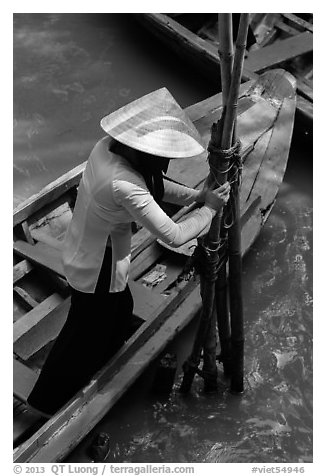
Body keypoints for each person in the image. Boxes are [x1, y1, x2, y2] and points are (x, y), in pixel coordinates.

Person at [27, 87, 230, 418]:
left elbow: (155, 186)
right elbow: (175, 234)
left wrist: (197, 197)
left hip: (94, 246)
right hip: (97, 264)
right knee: (82, 333)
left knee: (120, 310)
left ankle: (104, 360)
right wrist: (209, 209)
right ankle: (47, 403)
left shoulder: (107, 147)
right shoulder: (123, 182)